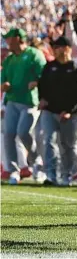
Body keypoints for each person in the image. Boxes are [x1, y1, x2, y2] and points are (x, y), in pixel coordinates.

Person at [38, 36, 77, 186]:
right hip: (50, 111)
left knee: (68, 145)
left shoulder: (76, 68)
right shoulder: (49, 66)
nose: (55, 50)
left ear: (67, 49)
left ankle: (67, 175)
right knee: (49, 142)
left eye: (58, 47)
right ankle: (51, 174)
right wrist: (42, 98)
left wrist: (68, 110)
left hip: (70, 114)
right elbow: (42, 85)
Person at [1, 28, 46, 184]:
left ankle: (37, 162)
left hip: (29, 101)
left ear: (19, 39)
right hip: (12, 101)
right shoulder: (9, 59)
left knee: (23, 132)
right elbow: (2, 79)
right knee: (8, 135)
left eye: (9, 38)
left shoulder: (34, 54)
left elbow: (45, 75)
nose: (7, 42)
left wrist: (37, 82)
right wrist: (4, 85)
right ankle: (14, 171)